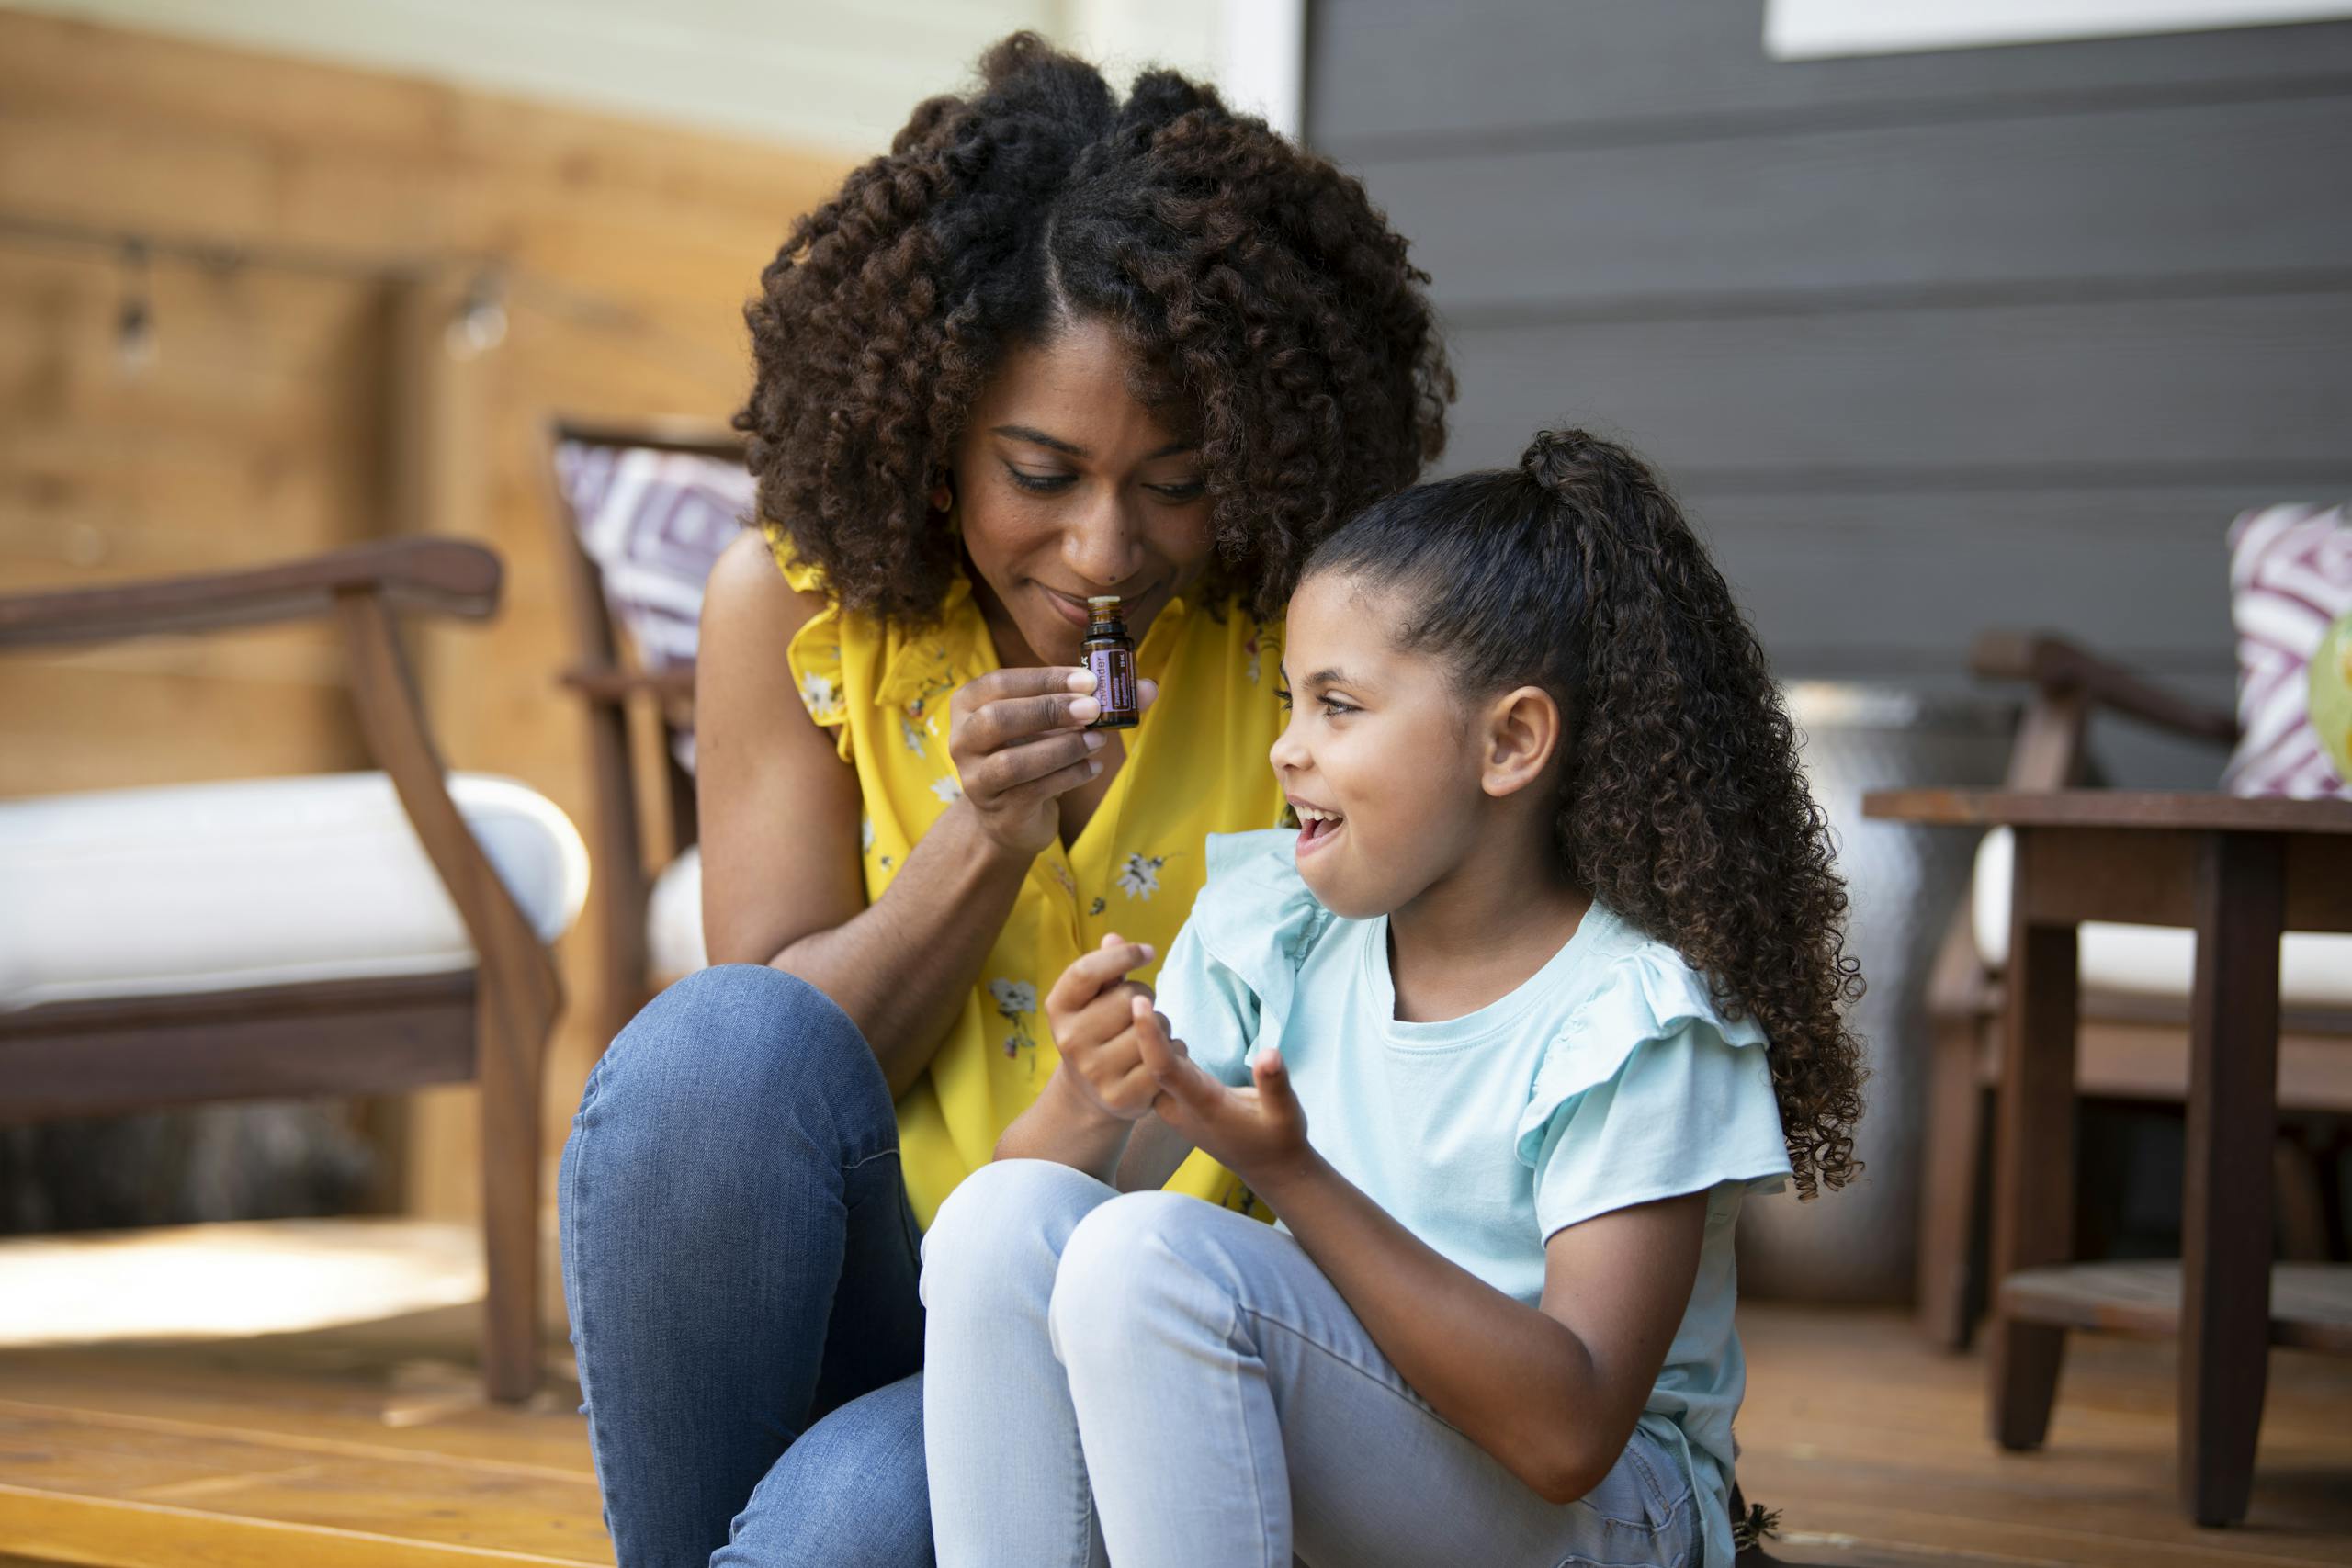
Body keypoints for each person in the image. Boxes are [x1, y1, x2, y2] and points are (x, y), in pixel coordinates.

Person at [555, 31, 1451, 1568]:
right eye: (1040, 472)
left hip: (1142, 1330)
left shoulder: (1320, 628)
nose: (1105, 551)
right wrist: (981, 838)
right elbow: (767, 1087)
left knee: (844, 1527)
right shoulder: (793, 614)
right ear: (932, 431)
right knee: (711, 1045)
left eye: (1175, 482)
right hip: (863, 1284)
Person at [920, 428, 1869, 1568]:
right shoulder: (1280, 923)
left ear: (1509, 741)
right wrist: (1088, 1093)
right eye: (1288, 701)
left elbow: (1569, 1433)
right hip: (1386, 1459)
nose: (1285, 750)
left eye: (1338, 706)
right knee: (999, 1217)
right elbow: (1029, 1237)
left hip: (1606, 1517)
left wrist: (1289, 1176)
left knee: (1155, 1257)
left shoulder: (1634, 1019)